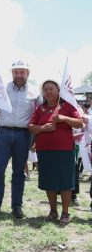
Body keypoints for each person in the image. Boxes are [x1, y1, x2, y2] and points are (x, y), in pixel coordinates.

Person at [0, 60, 41, 219]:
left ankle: (16, 206)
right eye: (16, 72)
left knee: (19, 172)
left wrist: (36, 137)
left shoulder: (35, 92)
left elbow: (40, 114)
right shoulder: (2, 89)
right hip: (3, 133)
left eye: (22, 72)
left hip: (23, 135)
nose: (19, 75)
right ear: (12, 73)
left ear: (28, 73)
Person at [29, 79, 82, 225]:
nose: (48, 91)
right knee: (49, 181)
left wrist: (64, 118)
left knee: (65, 182)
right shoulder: (40, 109)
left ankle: (65, 213)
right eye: (45, 89)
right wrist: (43, 128)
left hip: (64, 150)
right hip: (44, 150)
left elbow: (79, 123)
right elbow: (31, 127)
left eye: (51, 88)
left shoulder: (68, 106)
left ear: (59, 91)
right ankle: (53, 211)